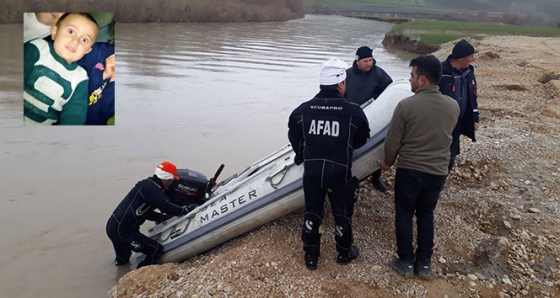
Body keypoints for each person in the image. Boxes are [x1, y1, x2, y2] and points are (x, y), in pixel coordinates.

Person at [380, 55, 459, 279]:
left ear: (423, 80)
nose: (410, 80)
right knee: (426, 214)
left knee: (404, 214)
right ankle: (424, 264)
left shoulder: (406, 106)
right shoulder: (453, 106)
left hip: (410, 170)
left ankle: (405, 261)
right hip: (437, 172)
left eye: (412, 76)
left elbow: (393, 141)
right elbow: (448, 136)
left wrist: (387, 163)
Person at [288, 58, 370, 270]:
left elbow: (294, 138)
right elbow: (361, 140)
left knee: (312, 212)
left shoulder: (301, 111)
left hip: (313, 172)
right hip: (339, 171)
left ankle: (311, 258)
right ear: (341, 84)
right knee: (341, 214)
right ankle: (344, 254)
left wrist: (302, 153)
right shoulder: (354, 112)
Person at [106, 161, 194, 268]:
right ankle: (139, 275)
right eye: (172, 180)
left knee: (122, 261)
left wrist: (163, 218)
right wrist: (185, 210)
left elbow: (143, 212)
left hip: (113, 226)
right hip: (123, 232)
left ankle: (119, 275)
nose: (172, 182)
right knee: (155, 250)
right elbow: (166, 207)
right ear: (166, 179)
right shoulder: (153, 190)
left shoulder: (148, 185)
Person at [24, 13, 99, 125]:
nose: (75, 41)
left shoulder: (81, 78)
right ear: (54, 32)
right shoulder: (37, 48)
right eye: (71, 32)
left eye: (84, 40)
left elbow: (75, 115)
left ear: (87, 51)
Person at [345, 46, 393, 192]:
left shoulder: (379, 74)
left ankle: (376, 177)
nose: (369, 64)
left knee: (374, 147)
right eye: (366, 61)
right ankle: (348, 175)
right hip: (349, 118)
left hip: (372, 117)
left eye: (371, 60)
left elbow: (390, 91)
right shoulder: (346, 75)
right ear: (357, 60)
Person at [438, 39, 479, 172]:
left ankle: (443, 177)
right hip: (440, 121)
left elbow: (472, 97)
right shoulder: (440, 71)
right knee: (437, 151)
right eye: (471, 56)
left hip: (459, 120)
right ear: (460, 58)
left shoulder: (469, 73)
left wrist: (475, 118)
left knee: (452, 153)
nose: (473, 59)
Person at [77, 42, 115, 125]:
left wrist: (113, 81)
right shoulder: (97, 51)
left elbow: (104, 114)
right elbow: (73, 87)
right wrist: (103, 75)